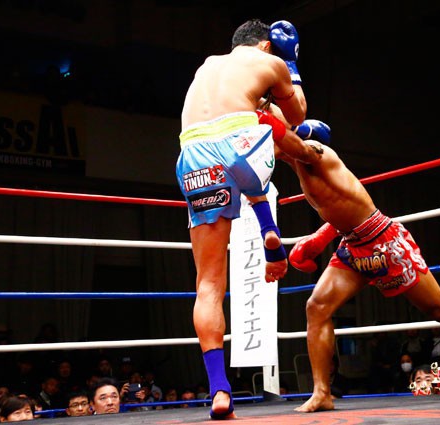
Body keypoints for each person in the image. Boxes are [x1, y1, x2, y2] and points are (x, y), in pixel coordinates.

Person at [267, 120, 440, 412]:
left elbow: (305, 150)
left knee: (439, 310)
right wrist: (320, 238)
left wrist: (270, 122)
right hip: (353, 245)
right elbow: (339, 204)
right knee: (316, 307)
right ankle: (322, 393)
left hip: (383, 240)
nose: (271, 144)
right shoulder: (297, 164)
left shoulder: (316, 153)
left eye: (276, 138)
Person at [175, 17, 309, 420]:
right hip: (242, 146)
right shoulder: (270, 62)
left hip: (193, 155)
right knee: (275, 133)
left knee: (208, 284)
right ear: (266, 45)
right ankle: (269, 227)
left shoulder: (207, 65)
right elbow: (298, 114)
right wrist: (291, 62)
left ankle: (219, 388)